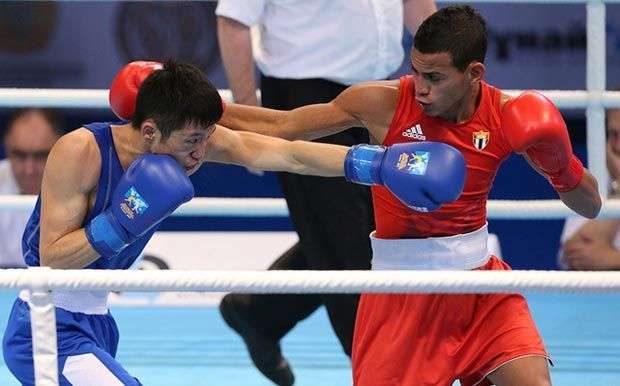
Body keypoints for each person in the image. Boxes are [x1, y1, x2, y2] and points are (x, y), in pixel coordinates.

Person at [1, 60, 466, 385]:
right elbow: (50, 258)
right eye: (192, 143)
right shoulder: (80, 151)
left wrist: (377, 165)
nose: (200, 155)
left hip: (98, 320)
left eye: (205, 140)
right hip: (46, 324)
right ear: (149, 132)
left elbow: (285, 151)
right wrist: (120, 222)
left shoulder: (184, 139)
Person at [218, 5, 602, 385]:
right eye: (415, 71)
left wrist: (560, 163)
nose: (420, 87)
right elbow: (281, 125)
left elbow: (591, 205)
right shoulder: (383, 103)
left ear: (474, 74)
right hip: (400, 294)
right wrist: (195, 104)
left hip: (480, 287)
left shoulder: (507, 115)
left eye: (434, 77)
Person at [215, 1, 436, 383]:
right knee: (348, 247)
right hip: (306, 99)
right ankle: (384, 374)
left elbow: (417, 7)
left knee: (374, 233)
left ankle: (258, 312)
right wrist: (251, 119)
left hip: (382, 96)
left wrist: (454, 76)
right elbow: (234, 19)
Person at [559, 103, 620, 270]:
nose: (618, 146)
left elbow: (595, 258)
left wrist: (613, 259)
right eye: (614, 134)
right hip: (601, 296)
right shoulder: (599, 177)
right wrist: (619, 187)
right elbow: (575, 253)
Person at [0, 108, 63, 268]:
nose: (29, 170)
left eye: (41, 156)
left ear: (62, 149)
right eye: (20, 155)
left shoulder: (84, 186)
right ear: (7, 147)